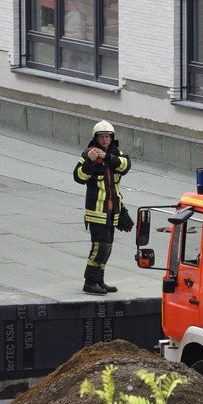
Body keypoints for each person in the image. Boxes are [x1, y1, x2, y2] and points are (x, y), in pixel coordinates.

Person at [74, 120, 132, 295]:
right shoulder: (87, 154)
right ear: (96, 138)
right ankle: (90, 282)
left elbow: (125, 166)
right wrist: (90, 162)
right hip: (96, 211)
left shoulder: (115, 153)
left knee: (108, 247)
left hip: (112, 210)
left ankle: (99, 280)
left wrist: (107, 157)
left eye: (107, 137)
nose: (105, 140)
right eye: (102, 137)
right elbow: (79, 177)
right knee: (100, 247)